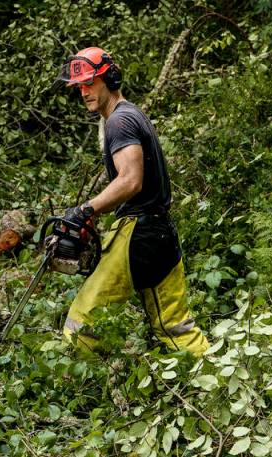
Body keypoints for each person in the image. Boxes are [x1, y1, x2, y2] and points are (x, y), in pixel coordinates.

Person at [53, 47, 208, 356]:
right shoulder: (130, 114)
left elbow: (130, 180)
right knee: (174, 326)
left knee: (81, 323)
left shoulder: (119, 122)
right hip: (161, 232)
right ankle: (216, 381)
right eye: (79, 87)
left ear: (109, 78)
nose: (84, 92)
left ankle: (78, 387)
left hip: (138, 231)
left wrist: (86, 209)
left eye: (90, 83)